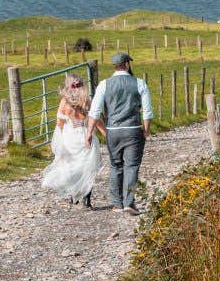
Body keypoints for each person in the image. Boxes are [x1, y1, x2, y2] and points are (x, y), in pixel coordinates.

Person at [86, 52, 152, 214]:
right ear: (127, 64)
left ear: (114, 66)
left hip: (113, 130)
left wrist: (89, 132)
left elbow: (94, 111)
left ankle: (117, 203)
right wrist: (146, 130)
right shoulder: (139, 83)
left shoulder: (104, 84)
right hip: (133, 129)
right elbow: (147, 111)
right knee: (132, 166)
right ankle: (129, 202)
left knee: (115, 165)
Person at [40, 74, 101, 208]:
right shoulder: (87, 101)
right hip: (86, 135)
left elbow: (60, 123)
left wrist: (61, 138)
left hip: (70, 136)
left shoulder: (64, 103)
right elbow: (94, 119)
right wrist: (105, 132)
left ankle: (74, 195)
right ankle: (86, 199)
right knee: (88, 167)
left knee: (71, 166)